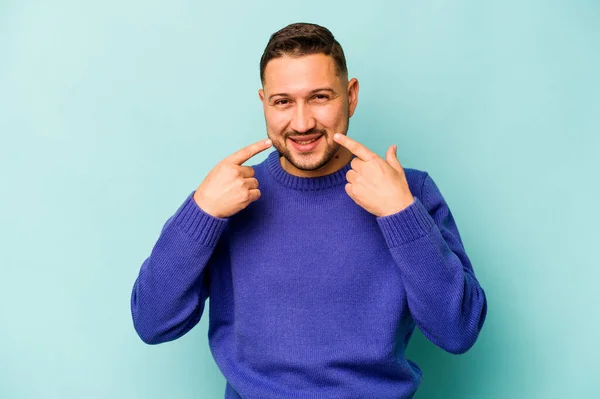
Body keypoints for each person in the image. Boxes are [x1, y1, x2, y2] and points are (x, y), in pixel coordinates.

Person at [130, 22, 487, 399]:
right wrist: (201, 213)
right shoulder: (227, 197)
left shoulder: (408, 192)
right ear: (264, 102)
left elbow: (458, 330)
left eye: (319, 97)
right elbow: (153, 322)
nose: (302, 123)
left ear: (350, 96)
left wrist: (401, 214)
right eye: (283, 101)